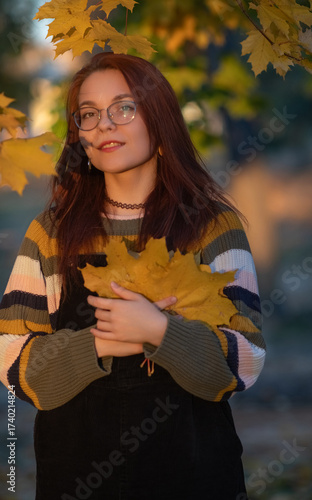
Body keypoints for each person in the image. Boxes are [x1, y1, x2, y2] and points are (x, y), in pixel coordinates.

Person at [0, 52, 265, 500]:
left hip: (194, 478)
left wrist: (160, 332)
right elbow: (11, 361)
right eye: (89, 114)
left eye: (123, 107)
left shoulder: (212, 226)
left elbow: (245, 361)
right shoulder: (51, 234)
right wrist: (103, 341)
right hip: (76, 478)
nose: (104, 125)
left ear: (158, 120)